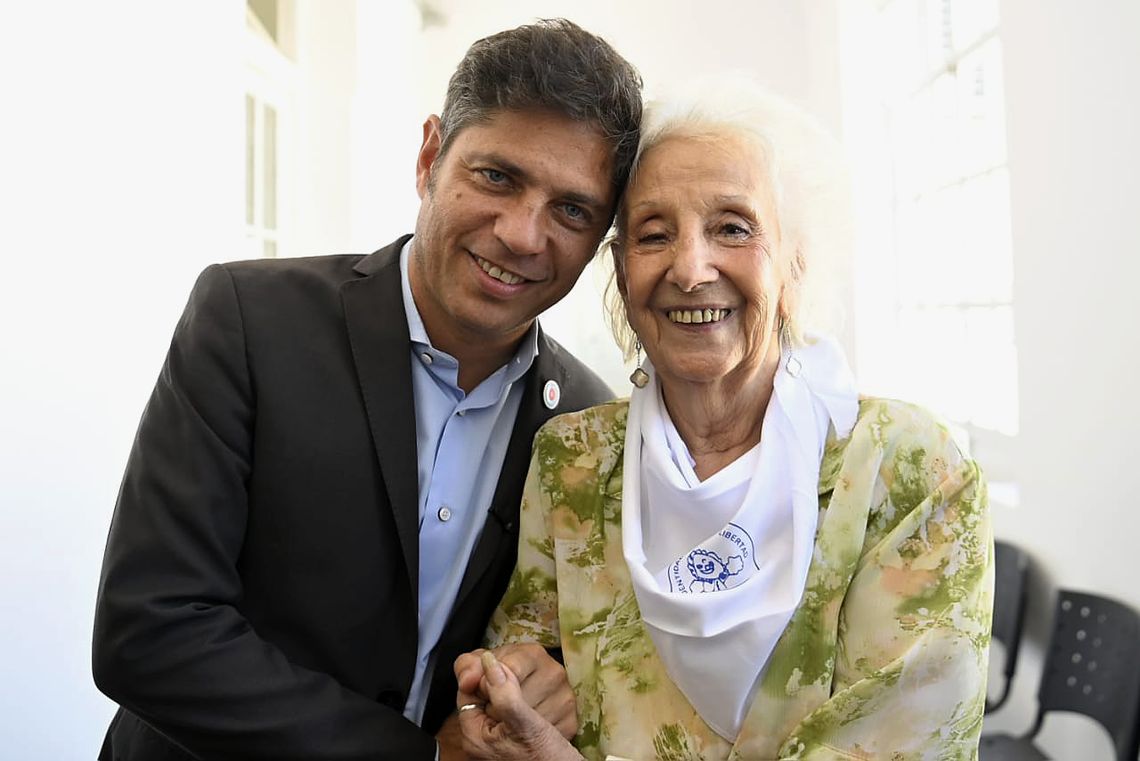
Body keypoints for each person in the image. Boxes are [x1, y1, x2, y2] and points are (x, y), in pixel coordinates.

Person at [91, 19, 641, 761]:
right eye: (497, 176)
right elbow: (148, 630)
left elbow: (548, 658)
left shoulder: (587, 425)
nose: (521, 233)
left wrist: (546, 679)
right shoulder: (248, 319)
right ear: (429, 158)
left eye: (571, 210)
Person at [454, 80, 993, 760]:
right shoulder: (573, 462)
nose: (690, 267)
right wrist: (509, 688)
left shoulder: (910, 471)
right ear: (622, 275)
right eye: (654, 234)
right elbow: (524, 650)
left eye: (732, 227)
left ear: (795, 263)